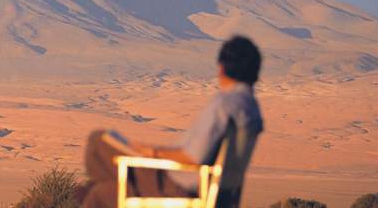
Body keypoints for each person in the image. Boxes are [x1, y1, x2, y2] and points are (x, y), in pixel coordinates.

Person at [80, 36, 264, 207]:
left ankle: (89, 189)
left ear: (221, 68)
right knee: (100, 193)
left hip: (179, 185)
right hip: (216, 193)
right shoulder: (251, 109)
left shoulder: (224, 103)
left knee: (98, 141)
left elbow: (194, 157)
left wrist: (151, 152)